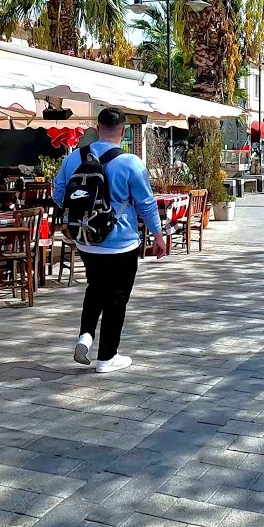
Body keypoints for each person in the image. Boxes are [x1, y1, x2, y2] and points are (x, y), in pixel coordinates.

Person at [53, 108, 165, 374]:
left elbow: (58, 194)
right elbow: (146, 204)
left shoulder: (74, 158)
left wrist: (80, 212)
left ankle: (85, 336)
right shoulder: (131, 162)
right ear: (123, 131)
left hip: (86, 239)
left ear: (97, 128)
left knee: (95, 287)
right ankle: (107, 357)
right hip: (120, 242)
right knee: (116, 298)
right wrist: (158, 234)